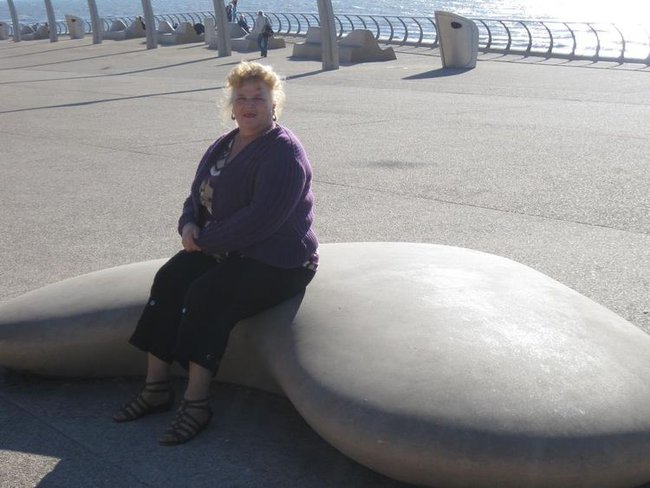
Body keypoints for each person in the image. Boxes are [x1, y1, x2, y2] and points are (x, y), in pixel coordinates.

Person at [112, 61, 319, 446]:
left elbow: (261, 219)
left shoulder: (284, 153)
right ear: (231, 104)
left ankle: (196, 404)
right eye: (241, 97)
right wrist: (188, 225)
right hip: (226, 246)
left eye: (258, 97)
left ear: (275, 103)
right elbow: (197, 195)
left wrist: (205, 241)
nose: (249, 105)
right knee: (170, 280)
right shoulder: (225, 143)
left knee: (208, 295)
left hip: (279, 258)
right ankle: (156, 388)